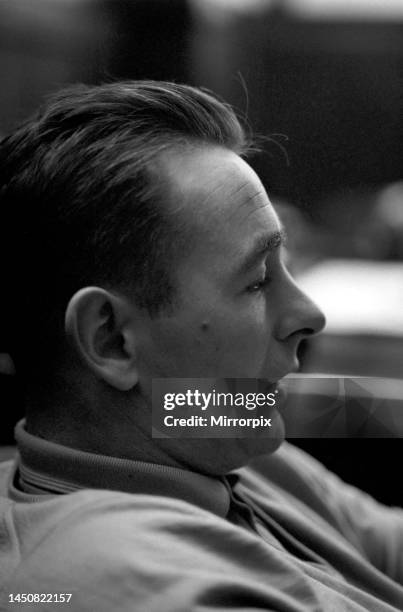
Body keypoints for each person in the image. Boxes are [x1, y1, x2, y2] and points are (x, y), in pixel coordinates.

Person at [0, 81, 402, 611]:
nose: (310, 314)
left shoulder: (214, 432)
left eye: (288, 265)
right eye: (258, 280)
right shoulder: (137, 587)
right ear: (111, 338)